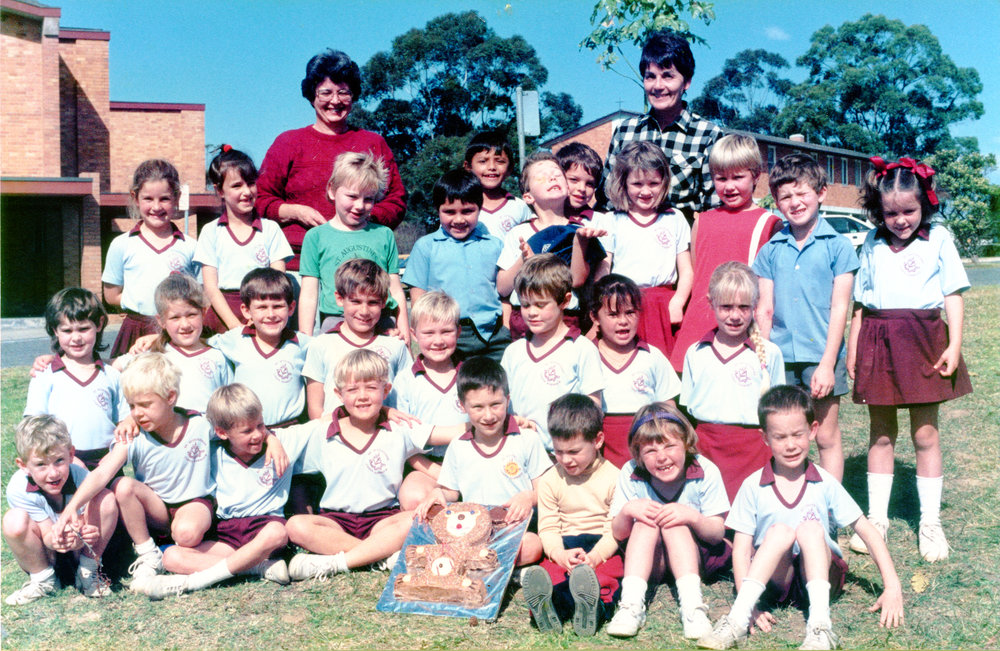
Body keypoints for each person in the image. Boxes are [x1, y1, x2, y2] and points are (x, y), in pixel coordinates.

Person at [697, 385, 903, 651]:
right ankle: (737, 618)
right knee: (779, 532)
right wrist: (752, 605)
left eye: (797, 434)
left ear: (813, 430)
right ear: (765, 438)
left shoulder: (825, 482)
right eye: (780, 437)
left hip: (819, 574)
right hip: (776, 579)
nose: (791, 444)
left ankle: (820, 627)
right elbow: (741, 547)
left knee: (809, 529)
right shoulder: (752, 485)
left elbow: (866, 530)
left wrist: (892, 585)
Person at [845, 156, 972, 562]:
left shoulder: (939, 240)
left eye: (909, 211)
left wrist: (953, 345)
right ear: (878, 211)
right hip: (878, 340)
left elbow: (952, 294)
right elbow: (862, 304)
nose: (900, 220)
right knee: (881, 433)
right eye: (891, 212)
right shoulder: (870, 242)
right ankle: (877, 519)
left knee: (925, 434)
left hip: (925, 339)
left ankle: (930, 521)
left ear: (926, 205)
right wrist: (853, 346)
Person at [285, 350, 463, 579]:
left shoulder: (399, 429)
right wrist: (270, 439)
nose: (362, 396)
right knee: (295, 526)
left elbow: (446, 433)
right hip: (335, 522)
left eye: (371, 388)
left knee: (418, 518)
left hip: (383, 520)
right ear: (339, 394)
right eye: (352, 389)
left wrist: (498, 422)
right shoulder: (321, 432)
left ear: (386, 390)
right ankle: (378, 554)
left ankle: (337, 562)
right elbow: (276, 440)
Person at [52, 354, 216, 591]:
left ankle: (198, 552)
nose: (137, 413)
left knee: (186, 534)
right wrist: (70, 508)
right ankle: (149, 554)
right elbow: (101, 473)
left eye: (145, 405)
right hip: (157, 509)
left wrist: (271, 442)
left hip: (195, 504)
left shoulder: (200, 424)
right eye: (132, 406)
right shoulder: (133, 435)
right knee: (122, 484)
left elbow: (236, 431)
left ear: (170, 397)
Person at [139, 384, 311, 600]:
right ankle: (257, 568)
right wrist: (129, 420)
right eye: (247, 431)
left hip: (263, 530)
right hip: (226, 533)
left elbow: (323, 423)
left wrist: (272, 438)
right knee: (171, 557)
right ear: (221, 432)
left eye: (260, 425)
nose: (257, 434)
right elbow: (177, 422)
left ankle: (194, 582)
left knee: (278, 531)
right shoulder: (210, 452)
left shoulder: (284, 441)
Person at [753, 153, 858, 481]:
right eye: (785, 196)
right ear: (776, 202)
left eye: (802, 193)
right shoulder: (771, 249)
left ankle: (830, 509)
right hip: (780, 358)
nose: (795, 202)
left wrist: (828, 364)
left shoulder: (839, 247)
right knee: (785, 437)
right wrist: (761, 359)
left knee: (825, 437)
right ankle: (790, 501)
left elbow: (841, 307)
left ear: (821, 192)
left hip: (821, 357)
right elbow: (764, 309)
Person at [256, 49, 405, 271]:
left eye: (343, 92)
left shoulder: (374, 143)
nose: (335, 101)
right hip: (297, 266)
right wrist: (296, 211)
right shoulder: (288, 143)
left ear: (353, 95)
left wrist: (360, 214)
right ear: (312, 96)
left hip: (360, 265)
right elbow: (260, 200)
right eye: (326, 92)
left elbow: (397, 201)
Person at [605, 404, 730, 640]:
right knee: (645, 521)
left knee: (675, 522)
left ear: (686, 444)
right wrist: (628, 511)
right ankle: (631, 606)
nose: (662, 457)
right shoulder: (630, 472)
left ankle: (693, 608)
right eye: (650, 451)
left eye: (670, 446)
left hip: (694, 559)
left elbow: (716, 533)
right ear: (638, 454)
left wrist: (692, 516)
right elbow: (618, 533)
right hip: (650, 562)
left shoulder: (705, 469)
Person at [416, 357, 551, 567]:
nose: (488, 415)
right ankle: (489, 565)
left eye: (496, 404)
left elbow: (545, 489)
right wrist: (438, 493)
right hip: (471, 531)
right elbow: (452, 491)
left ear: (507, 399)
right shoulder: (458, 446)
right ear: (462, 406)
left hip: (512, 530)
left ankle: (475, 564)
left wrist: (528, 497)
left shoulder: (527, 439)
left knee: (532, 545)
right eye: (478, 407)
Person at [670, 134, 782, 372]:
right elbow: (696, 274)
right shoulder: (702, 221)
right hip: (699, 327)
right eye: (721, 178)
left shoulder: (769, 223)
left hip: (741, 327)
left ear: (755, 176)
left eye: (738, 177)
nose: (729, 186)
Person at [577, 141, 693, 359]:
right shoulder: (611, 220)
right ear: (624, 183)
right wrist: (602, 307)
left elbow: (686, 270)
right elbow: (604, 270)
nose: (646, 191)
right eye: (637, 184)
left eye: (653, 183)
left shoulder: (674, 218)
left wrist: (678, 302)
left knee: (662, 367)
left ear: (664, 182)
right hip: (622, 305)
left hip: (663, 306)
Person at [681, 262, 784, 502]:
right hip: (706, 449)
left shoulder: (770, 353)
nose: (735, 315)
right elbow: (688, 408)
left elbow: (778, 412)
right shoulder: (695, 353)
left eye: (743, 307)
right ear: (711, 303)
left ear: (755, 307)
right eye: (726, 306)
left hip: (754, 451)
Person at [521, 394, 622, 636]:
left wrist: (595, 557)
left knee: (607, 577)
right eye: (558, 451)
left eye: (574, 451)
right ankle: (549, 608)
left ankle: (593, 610)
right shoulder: (549, 480)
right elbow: (548, 527)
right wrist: (559, 554)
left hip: (602, 546)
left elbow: (615, 531)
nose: (566, 459)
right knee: (553, 575)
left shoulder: (616, 478)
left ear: (597, 440)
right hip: (565, 545)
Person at [602, 29, 723, 223]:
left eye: (668, 76)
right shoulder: (625, 132)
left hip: (682, 247)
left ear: (687, 82)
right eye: (650, 76)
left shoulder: (708, 135)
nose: (658, 85)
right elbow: (606, 200)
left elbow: (714, 208)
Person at [3, 415, 118, 604]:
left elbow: (84, 519)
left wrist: (84, 535)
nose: (53, 473)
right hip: (46, 554)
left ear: (71, 454)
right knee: (13, 520)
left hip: (80, 553)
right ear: (23, 465)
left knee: (105, 498)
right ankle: (44, 580)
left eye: (59, 460)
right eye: (40, 464)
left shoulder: (81, 476)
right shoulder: (18, 488)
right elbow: (46, 534)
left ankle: (88, 572)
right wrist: (58, 540)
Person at [402, 169, 510, 361]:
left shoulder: (495, 245)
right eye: (449, 212)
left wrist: (507, 329)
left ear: (480, 208)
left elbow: (504, 293)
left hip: (493, 335)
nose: (459, 220)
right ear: (437, 210)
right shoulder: (426, 247)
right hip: (447, 337)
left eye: (467, 211)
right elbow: (418, 298)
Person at [297, 152, 407, 339]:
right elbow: (309, 294)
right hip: (335, 323)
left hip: (381, 322)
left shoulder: (384, 234)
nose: (359, 206)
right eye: (352, 196)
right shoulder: (315, 237)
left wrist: (405, 334)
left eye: (368, 199)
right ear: (332, 190)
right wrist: (305, 340)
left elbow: (395, 289)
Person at [500, 254, 603, 451]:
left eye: (540, 304)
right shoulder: (513, 352)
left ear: (565, 301)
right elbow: (501, 401)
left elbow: (593, 407)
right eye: (525, 305)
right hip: (520, 451)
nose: (532, 312)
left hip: (565, 456)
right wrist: (514, 422)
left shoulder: (582, 349)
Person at [497, 152, 604, 339]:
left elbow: (576, 280)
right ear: (528, 197)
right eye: (542, 176)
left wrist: (580, 243)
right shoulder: (518, 233)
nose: (552, 177)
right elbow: (503, 288)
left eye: (557, 173)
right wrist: (524, 259)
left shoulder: (580, 230)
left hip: (567, 317)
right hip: (526, 318)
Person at [24, 288, 130, 470]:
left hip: (107, 460)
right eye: (67, 330)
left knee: (114, 496)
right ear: (55, 330)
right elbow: (33, 426)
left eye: (83, 328)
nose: (76, 338)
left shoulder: (111, 375)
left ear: (99, 324)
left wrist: (116, 454)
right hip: (63, 461)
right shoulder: (45, 375)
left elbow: (125, 420)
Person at [102, 159, 199, 356]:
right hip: (134, 332)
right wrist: (138, 302)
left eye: (164, 198)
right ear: (135, 198)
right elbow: (111, 296)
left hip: (177, 333)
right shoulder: (121, 244)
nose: (156, 207)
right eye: (148, 199)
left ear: (177, 197)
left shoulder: (190, 247)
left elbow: (201, 297)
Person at [196, 146, 292, 333]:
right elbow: (211, 288)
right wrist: (234, 326)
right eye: (237, 185)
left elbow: (278, 282)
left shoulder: (270, 229)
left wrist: (257, 319)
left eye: (250, 183)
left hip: (263, 315)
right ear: (219, 191)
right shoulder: (211, 232)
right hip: (223, 318)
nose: (247, 192)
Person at [589, 274, 681, 468]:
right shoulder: (586, 357)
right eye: (613, 314)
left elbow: (668, 409)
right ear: (595, 317)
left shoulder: (652, 357)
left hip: (645, 454)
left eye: (630, 312)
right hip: (600, 455)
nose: (623, 321)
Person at [302, 258, 411, 419]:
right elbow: (315, 408)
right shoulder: (321, 345)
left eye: (373, 302)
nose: (364, 311)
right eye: (356, 301)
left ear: (384, 302)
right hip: (336, 438)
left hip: (385, 438)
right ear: (340, 299)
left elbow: (406, 398)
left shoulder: (395, 345)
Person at [209, 268, 311, 429]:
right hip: (247, 432)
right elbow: (199, 345)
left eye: (277, 306)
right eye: (262, 307)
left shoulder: (303, 344)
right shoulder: (235, 339)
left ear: (291, 308)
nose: (270, 314)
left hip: (290, 430)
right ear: (247, 311)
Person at [392, 292, 468, 510]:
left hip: (473, 462)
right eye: (429, 333)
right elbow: (404, 443)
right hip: (427, 467)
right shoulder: (405, 380)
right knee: (415, 497)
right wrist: (441, 473)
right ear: (414, 335)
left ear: (458, 331)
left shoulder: (471, 374)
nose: (438, 341)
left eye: (446, 332)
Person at [115, 274, 232, 413]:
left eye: (191, 315)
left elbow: (230, 403)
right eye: (175, 318)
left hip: (208, 433)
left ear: (204, 312)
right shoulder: (152, 354)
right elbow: (113, 367)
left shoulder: (218, 356)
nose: (185, 324)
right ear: (161, 321)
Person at [463, 130, 532, 239]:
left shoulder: (519, 207)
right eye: (483, 161)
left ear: (510, 168)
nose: (492, 167)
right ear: (468, 167)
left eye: (499, 161)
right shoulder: (460, 206)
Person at [556, 142, 603, 221]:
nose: (582, 188)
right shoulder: (543, 217)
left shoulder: (599, 222)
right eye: (574, 180)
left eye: (589, 184)